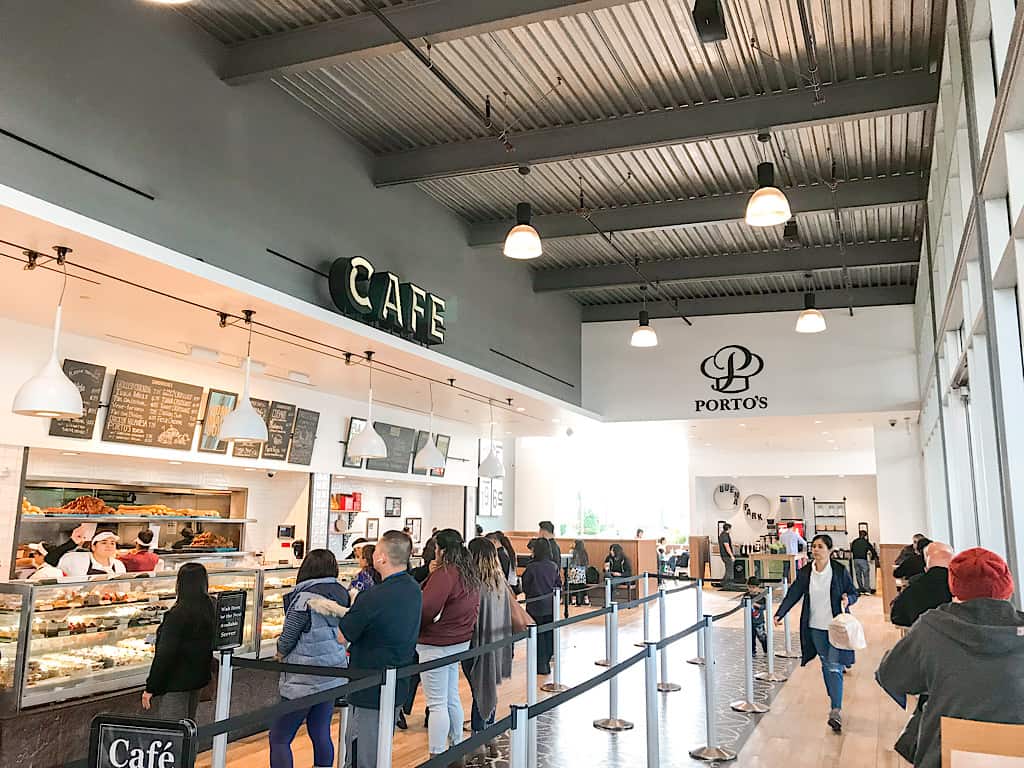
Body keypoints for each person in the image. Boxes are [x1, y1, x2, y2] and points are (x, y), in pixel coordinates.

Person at [876, 548, 1024, 768]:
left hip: (945, 756)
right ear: (1008, 588)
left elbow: (890, 675)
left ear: (954, 587)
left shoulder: (932, 627)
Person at [338, 531, 422, 768]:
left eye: (376, 551)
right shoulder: (414, 589)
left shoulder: (372, 597)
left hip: (369, 686)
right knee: (381, 746)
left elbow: (342, 636)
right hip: (398, 681)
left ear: (382, 558)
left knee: (362, 752)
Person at [269, 549, 350, 768]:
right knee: (320, 731)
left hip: (303, 679)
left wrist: (279, 652)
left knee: (279, 736)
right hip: (331, 675)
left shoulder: (304, 599)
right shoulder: (342, 593)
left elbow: (287, 638)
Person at [774, 534, 859, 733]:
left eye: (820, 547)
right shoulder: (806, 572)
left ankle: (835, 710)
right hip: (815, 628)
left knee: (834, 666)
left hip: (836, 627)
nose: (816, 550)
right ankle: (834, 703)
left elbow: (853, 592)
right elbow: (794, 592)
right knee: (827, 664)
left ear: (830, 550)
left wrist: (848, 600)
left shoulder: (838, 571)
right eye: (814, 546)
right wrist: (780, 613)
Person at [416, 529, 480, 760]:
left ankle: (437, 753)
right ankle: (456, 748)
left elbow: (426, 607)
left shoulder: (446, 573)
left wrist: (415, 627)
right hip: (460, 640)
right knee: (451, 695)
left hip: (437, 643)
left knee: (436, 703)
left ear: (440, 549)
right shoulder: (468, 571)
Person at [141, 563, 214, 720]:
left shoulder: (177, 615)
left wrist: (151, 687)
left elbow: (165, 655)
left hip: (175, 682)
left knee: (173, 732)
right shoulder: (210, 606)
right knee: (189, 725)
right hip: (199, 678)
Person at [463, 538, 512, 758]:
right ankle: (489, 731)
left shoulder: (473, 584)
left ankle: (478, 736)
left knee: (478, 689)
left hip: (476, 644)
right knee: (489, 685)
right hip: (498, 643)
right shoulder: (499, 581)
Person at [890, 541, 954, 627]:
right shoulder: (962, 588)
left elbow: (897, 616)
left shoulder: (913, 587)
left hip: (923, 636)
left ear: (926, 567)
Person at [521, 538, 560, 675]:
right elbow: (558, 585)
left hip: (535, 606)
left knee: (537, 635)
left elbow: (525, 586)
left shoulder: (531, 567)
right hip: (550, 606)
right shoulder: (553, 566)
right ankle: (547, 661)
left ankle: (540, 664)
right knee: (549, 633)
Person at [60, 531, 127, 577]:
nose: (109, 546)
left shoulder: (119, 565)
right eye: (104, 543)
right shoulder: (76, 559)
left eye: (112, 543)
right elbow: (52, 564)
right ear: (93, 547)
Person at [744, 576, 768, 656]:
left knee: (762, 637)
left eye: (754, 587)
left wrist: (757, 605)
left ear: (758, 587)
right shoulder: (746, 596)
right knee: (750, 637)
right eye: (750, 587)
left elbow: (765, 607)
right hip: (749, 621)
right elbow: (742, 604)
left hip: (759, 621)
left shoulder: (761, 597)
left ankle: (766, 650)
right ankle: (752, 651)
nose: (751, 589)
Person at [568, 539, 590, 606]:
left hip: (574, 570)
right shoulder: (584, 552)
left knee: (573, 586)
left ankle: (574, 601)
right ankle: (586, 600)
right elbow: (587, 563)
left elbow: (570, 562)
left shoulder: (573, 551)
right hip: (582, 571)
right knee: (582, 586)